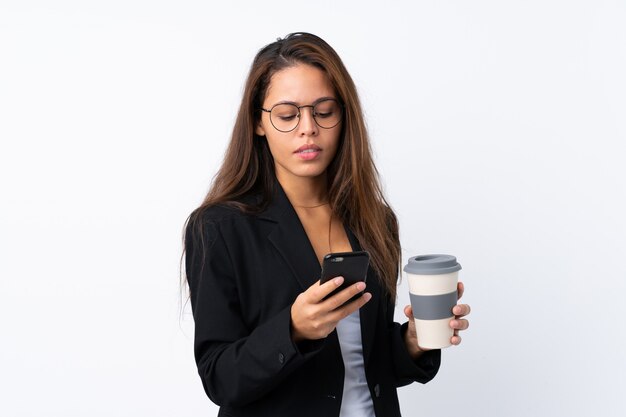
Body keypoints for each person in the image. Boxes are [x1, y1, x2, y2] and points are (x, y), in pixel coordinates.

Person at [183, 32, 471, 417]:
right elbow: (220, 378)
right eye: (287, 115)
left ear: (343, 115)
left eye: (324, 111)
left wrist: (413, 342)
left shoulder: (375, 220)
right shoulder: (220, 227)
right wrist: (293, 329)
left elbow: (366, 364)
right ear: (258, 122)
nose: (308, 128)